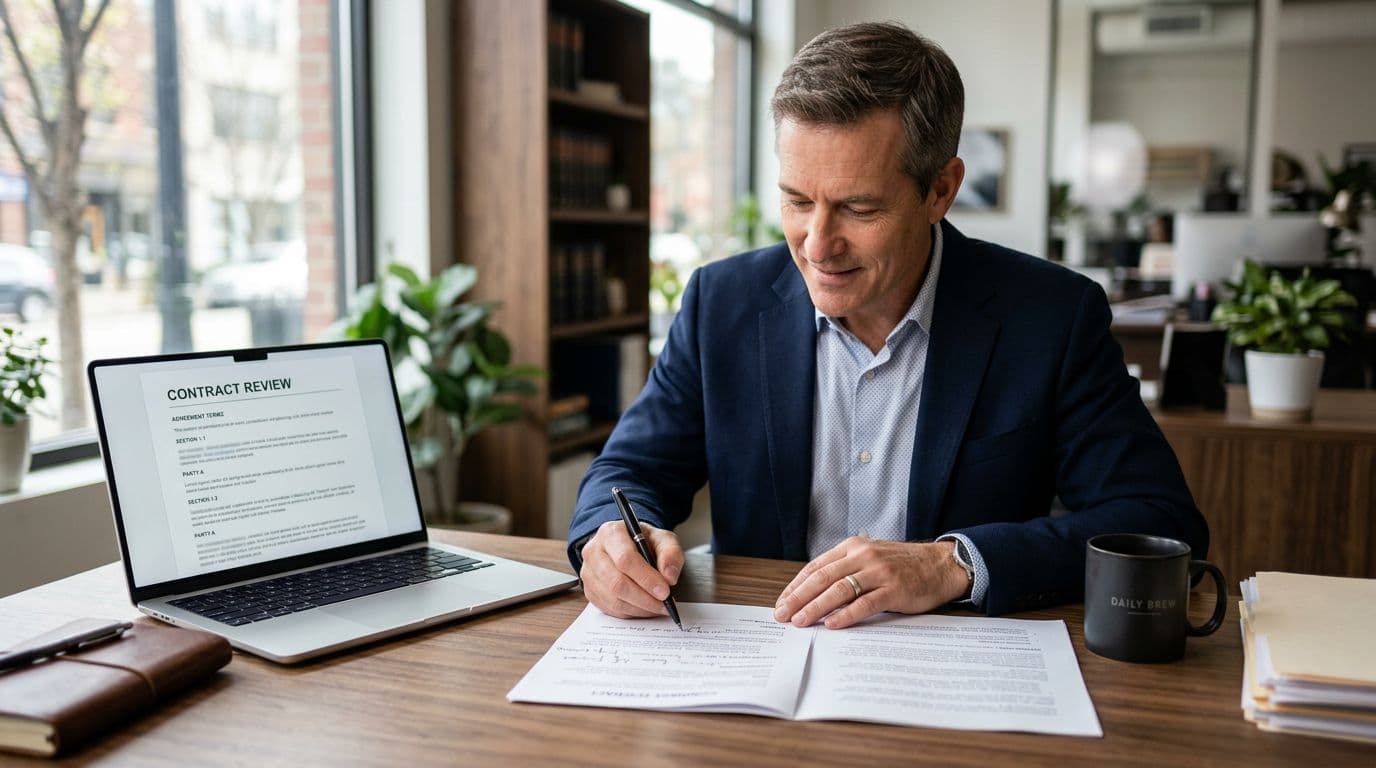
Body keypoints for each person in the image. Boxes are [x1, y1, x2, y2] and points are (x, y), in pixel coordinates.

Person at [567, 21, 1206, 629]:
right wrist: (612, 539)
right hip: (762, 661)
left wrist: (954, 563)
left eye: (858, 207)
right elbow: (629, 472)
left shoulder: (1051, 317)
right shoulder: (721, 303)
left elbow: (1159, 522)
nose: (817, 245)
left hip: (957, 675)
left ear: (941, 189)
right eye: (796, 200)